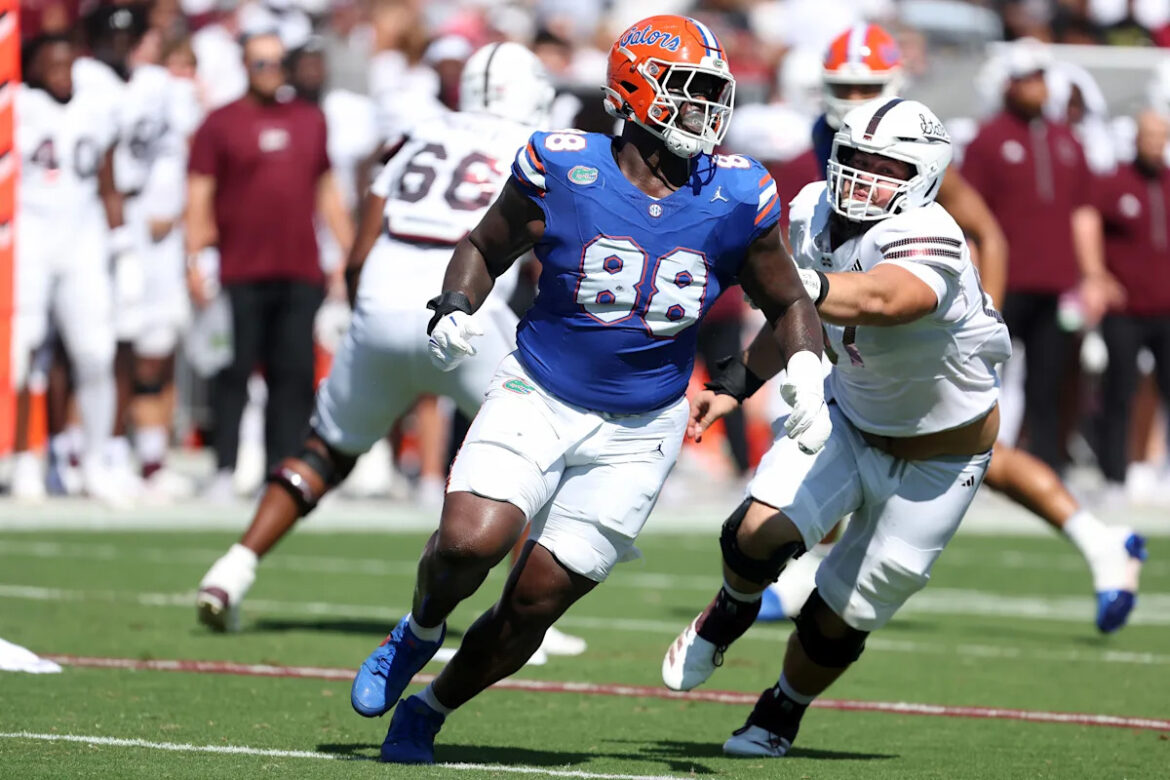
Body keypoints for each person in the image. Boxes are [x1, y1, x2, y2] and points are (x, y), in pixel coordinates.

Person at [348, 15, 830, 765]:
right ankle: (419, 629)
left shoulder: (740, 190)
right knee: (469, 544)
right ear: (634, 91)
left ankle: (431, 708)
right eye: (688, 90)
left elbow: (789, 299)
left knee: (535, 600)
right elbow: (483, 244)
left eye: (713, 92)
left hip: (642, 428)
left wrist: (803, 370)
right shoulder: (564, 165)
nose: (707, 109)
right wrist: (456, 305)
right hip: (540, 391)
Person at [757, 26, 1145, 633]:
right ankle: (1100, 540)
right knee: (862, 434)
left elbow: (986, 231)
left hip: (915, 317)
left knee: (962, 445)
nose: (854, 97)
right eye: (843, 85)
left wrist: (982, 322)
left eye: (866, 85)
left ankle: (1099, 540)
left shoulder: (908, 143)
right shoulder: (828, 138)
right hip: (860, 322)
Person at [663, 96, 1012, 758]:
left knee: (840, 617)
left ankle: (781, 710)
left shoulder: (931, 232)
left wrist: (799, 284)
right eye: (854, 157)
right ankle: (730, 609)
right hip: (849, 416)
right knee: (754, 532)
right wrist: (735, 384)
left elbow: (884, 297)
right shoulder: (811, 209)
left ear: (924, 176)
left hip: (940, 462)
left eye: (885, 166)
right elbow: (802, 319)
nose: (861, 176)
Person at [194, 42, 555, 632]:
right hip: (467, 312)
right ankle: (519, 624)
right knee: (541, 457)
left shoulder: (420, 132)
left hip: (383, 302)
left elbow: (362, 246)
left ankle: (232, 570)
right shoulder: (539, 148)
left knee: (325, 451)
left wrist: (367, 317)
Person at [185, 32, 354, 500]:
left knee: (293, 374)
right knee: (233, 372)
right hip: (238, 269)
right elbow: (198, 194)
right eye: (261, 63)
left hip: (298, 268)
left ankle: (280, 469)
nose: (271, 72)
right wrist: (194, 257)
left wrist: (348, 252)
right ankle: (224, 466)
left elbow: (327, 190)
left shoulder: (309, 119)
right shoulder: (220, 122)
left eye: (278, 63)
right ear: (244, 66)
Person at [10, 34, 126, 505]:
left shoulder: (96, 106)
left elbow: (108, 177)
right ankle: (25, 458)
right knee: (24, 351)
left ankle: (96, 463)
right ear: (33, 68)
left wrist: (121, 244)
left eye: (67, 63)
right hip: (30, 237)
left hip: (82, 239)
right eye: (50, 64)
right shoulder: (18, 106)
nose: (61, 72)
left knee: (96, 352)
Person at [1092, 111, 1170, 499]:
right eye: (1149, 135)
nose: (1155, 143)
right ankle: (1114, 478)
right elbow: (1087, 222)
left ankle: (1164, 472)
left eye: (1161, 136)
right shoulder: (1116, 182)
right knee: (1119, 390)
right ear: (1137, 137)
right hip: (1125, 309)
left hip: (1166, 307)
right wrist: (1096, 274)